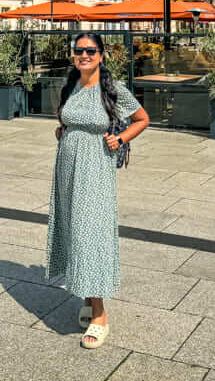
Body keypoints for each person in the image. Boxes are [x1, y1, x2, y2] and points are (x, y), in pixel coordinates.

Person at [46, 33, 149, 350]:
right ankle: (90, 302)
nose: (84, 55)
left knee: (90, 235)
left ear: (101, 55)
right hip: (67, 167)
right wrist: (64, 129)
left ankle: (100, 317)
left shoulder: (113, 89)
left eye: (90, 51)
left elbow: (142, 118)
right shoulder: (71, 84)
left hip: (95, 169)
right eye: (79, 51)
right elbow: (67, 117)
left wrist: (120, 139)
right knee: (74, 231)